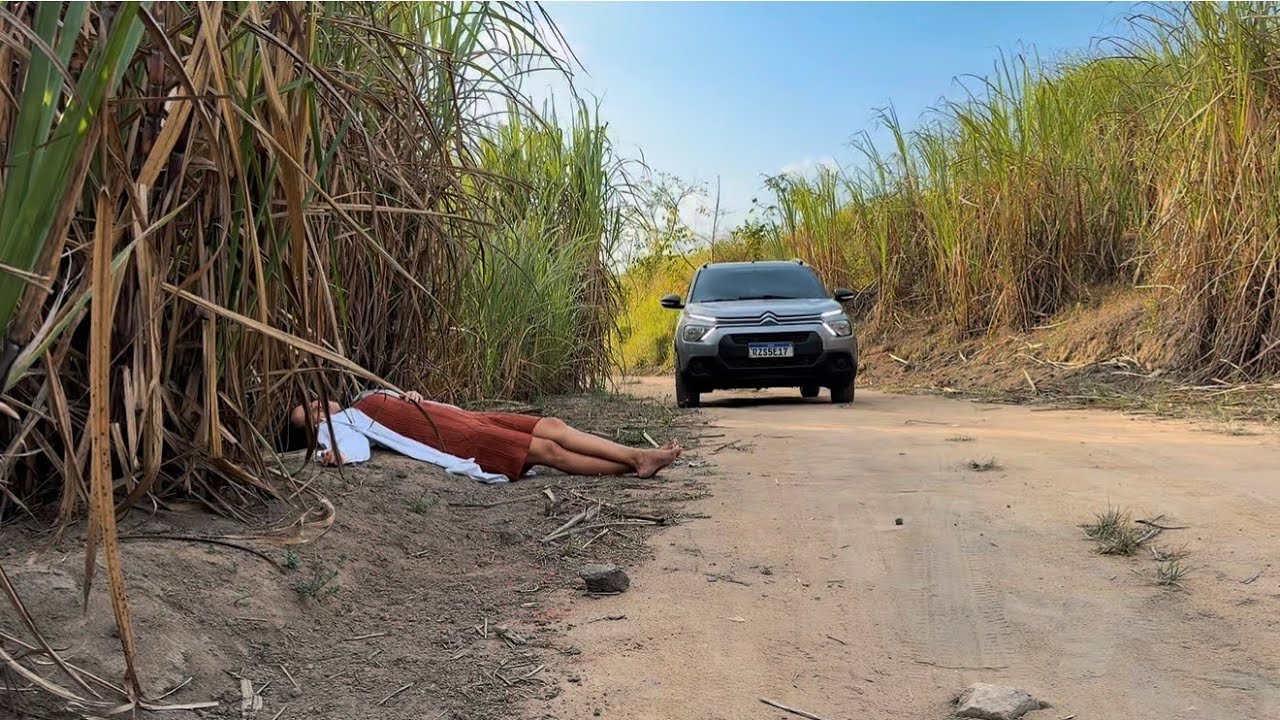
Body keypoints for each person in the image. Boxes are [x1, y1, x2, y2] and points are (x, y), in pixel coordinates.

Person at [282, 389, 682, 483]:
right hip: (456, 441)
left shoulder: (368, 396)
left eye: (315, 403)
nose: (319, 410)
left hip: (466, 419)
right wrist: (336, 453)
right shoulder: (345, 422)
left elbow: (420, 404)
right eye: (312, 418)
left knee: (554, 427)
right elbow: (352, 448)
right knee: (546, 451)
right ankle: (635, 460)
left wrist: (414, 395)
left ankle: (633, 457)